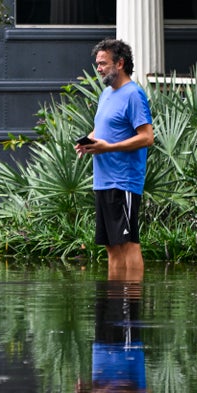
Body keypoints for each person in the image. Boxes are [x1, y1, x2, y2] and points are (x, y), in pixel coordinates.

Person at [75, 39, 155, 277]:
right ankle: (113, 305)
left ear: (120, 63)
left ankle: (129, 307)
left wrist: (109, 147)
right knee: (111, 246)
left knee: (128, 243)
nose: (98, 68)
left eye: (103, 63)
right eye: (97, 64)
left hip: (124, 181)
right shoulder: (106, 94)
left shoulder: (134, 94)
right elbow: (101, 130)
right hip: (103, 180)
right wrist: (87, 142)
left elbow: (147, 137)